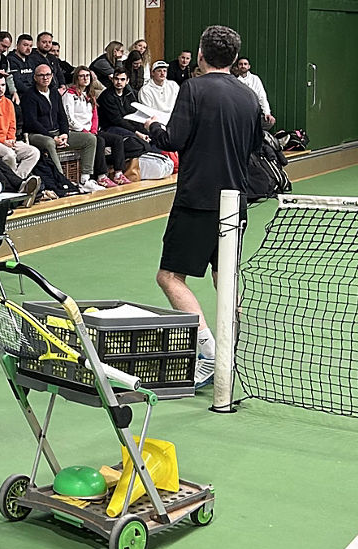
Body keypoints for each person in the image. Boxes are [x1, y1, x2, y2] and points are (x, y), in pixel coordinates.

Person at [144, 25, 265, 398]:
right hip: (236, 202)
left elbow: (173, 140)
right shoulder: (249, 98)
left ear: (201, 54)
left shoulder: (193, 89)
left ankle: (210, 354)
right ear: (232, 58)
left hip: (197, 201)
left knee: (170, 278)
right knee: (224, 277)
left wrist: (150, 126)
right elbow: (255, 145)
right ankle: (231, 352)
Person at [22, 64, 103, 192]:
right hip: (37, 134)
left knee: (90, 139)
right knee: (49, 143)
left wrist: (64, 133)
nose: (45, 78)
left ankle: (85, 179)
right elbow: (32, 122)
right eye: (41, 75)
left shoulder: (54, 92)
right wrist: (53, 137)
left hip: (58, 133)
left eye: (48, 75)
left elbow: (62, 116)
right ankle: (61, 180)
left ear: (52, 76)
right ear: (35, 78)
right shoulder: (29, 96)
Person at [64, 66, 130, 188]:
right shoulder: (69, 95)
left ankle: (118, 173)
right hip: (75, 131)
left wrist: (93, 129)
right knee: (98, 140)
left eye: (87, 76)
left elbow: (95, 116)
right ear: (76, 78)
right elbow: (69, 118)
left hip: (91, 130)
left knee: (117, 139)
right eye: (82, 76)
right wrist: (84, 131)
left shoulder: (90, 94)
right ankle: (101, 176)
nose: (85, 78)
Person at [0, 72, 41, 179]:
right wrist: (3, 141)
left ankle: (17, 179)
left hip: (8, 141)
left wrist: (11, 139)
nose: (0, 89)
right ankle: (14, 182)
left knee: (34, 152)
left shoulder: (8, 102)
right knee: (10, 155)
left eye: (3, 85)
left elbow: (12, 125)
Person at [233, 57, 274, 129]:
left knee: (269, 121)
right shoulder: (234, 80)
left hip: (254, 113)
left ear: (249, 66)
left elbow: (262, 97)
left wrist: (267, 113)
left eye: (245, 64)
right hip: (238, 114)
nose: (243, 66)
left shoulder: (255, 79)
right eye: (240, 64)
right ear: (237, 67)